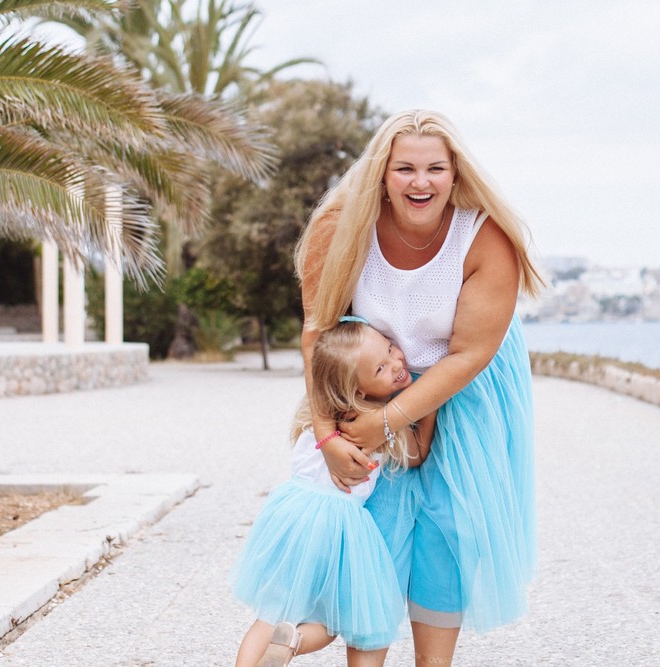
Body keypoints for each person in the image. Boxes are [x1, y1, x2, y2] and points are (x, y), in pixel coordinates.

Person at [294, 109, 543, 666]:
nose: (420, 181)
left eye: (435, 168)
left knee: (445, 541)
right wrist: (326, 436)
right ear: (382, 173)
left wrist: (390, 423)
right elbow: (316, 337)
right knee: (372, 537)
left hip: (462, 392)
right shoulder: (338, 228)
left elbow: (470, 354)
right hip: (371, 385)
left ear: (456, 174)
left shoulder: (486, 238)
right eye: (404, 168)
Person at [232, 317, 436, 667]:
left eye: (390, 349)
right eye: (382, 368)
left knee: (270, 612)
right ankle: (293, 641)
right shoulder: (374, 424)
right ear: (359, 391)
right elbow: (416, 456)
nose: (397, 363)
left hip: (291, 515)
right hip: (339, 527)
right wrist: (427, 403)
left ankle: (264, 649)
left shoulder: (316, 416)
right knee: (330, 621)